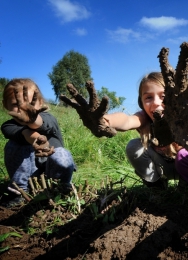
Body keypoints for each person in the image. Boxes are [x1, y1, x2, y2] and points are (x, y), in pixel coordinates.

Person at [61, 72, 188, 189]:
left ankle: (183, 189)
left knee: (183, 155)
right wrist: (104, 121)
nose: (156, 102)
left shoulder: (183, 116)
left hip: (184, 164)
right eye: (148, 97)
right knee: (134, 146)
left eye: (164, 96)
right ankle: (157, 187)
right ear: (142, 103)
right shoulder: (144, 117)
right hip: (164, 168)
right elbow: (127, 120)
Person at [1, 78, 76, 207]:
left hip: (53, 172)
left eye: (30, 103)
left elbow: (41, 124)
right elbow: (25, 133)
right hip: (30, 175)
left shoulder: (48, 118)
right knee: (13, 145)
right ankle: (19, 192)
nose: (24, 108)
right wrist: (36, 138)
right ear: (5, 105)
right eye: (16, 104)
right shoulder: (8, 126)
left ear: (40, 103)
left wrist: (32, 119)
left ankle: (61, 189)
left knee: (62, 154)